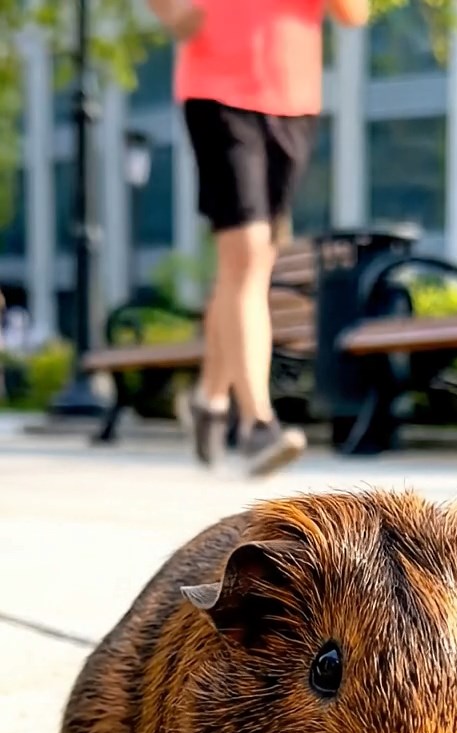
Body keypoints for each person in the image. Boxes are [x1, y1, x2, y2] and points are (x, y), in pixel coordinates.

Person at [148, 0, 370, 477]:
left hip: (293, 94)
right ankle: (257, 426)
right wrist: (169, 10)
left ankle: (209, 398)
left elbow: (355, 12)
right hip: (217, 88)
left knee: (247, 268)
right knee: (247, 253)